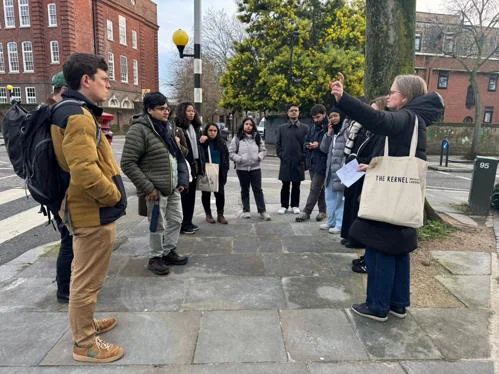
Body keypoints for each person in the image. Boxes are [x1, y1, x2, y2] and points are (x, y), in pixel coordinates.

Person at [330, 73, 444, 322]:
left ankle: (378, 306)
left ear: (404, 97)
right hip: (402, 196)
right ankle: (397, 304)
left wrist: (343, 98)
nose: (389, 95)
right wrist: (371, 164)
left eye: (392, 91)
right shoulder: (416, 120)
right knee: (399, 249)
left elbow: (377, 120)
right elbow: (396, 155)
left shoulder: (404, 117)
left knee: (379, 248)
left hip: (387, 198)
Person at [50, 53, 127, 362]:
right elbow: (84, 171)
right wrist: (113, 195)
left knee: (84, 275)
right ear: (86, 80)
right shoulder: (79, 117)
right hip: (91, 211)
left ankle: (86, 323)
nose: (107, 85)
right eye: (103, 79)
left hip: (83, 209)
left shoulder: (69, 109)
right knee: (86, 280)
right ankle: (85, 343)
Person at [121, 92, 189, 276]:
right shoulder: (139, 130)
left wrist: (181, 179)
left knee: (176, 220)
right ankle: (155, 257)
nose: (166, 112)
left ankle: (168, 251)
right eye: (161, 109)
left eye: (167, 108)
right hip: (155, 191)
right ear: (149, 110)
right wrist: (148, 188)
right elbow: (127, 163)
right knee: (157, 225)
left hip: (173, 187)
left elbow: (178, 155)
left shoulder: (166, 127)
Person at [343, 97, 387, 273]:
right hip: (358, 172)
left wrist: (363, 161)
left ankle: (367, 257)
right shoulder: (367, 130)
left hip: (370, 178)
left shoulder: (382, 133)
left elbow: (380, 157)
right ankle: (357, 244)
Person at [44, 72, 73, 303]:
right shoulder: (57, 114)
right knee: (69, 239)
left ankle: (66, 285)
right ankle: (65, 289)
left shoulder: (48, 113)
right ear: (64, 91)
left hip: (53, 188)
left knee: (69, 238)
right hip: (61, 189)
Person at [229, 117, 271, 221]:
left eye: (251, 124)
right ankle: (246, 210)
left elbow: (264, 150)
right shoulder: (237, 138)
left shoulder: (257, 137)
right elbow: (231, 152)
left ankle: (262, 211)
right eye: (246, 124)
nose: (248, 126)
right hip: (242, 169)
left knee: (258, 190)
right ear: (243, 125)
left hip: (255, 168)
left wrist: (259, 157)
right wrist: (239, 159)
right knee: (244, 190)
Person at [175, 102, 204, 234]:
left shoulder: (196, 126)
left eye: (193, 111)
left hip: (195, 164)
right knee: (184, 196)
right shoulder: (178, 127)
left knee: (191, 195)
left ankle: (188, 221)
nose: (192, 113)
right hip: (185, 164)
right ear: (182, 112)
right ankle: (182, 224)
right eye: (188, 111)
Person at [295, 104, 329, 222]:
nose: (316, 120)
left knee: (315, 187)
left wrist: (318, 145)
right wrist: (308, 145)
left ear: (324, 114)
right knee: (320, 188)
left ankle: (307, 211)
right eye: (314, 118)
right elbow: (306, 140)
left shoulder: (329, 127)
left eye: (318, 117)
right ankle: (322, 211)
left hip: (323, 162)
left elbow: (331, 144)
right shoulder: (313, 127)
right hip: (312, 160)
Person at [319, 107, 349, 233]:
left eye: (335, 115)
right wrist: (329, 133)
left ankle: (339, 224)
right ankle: (330, 221)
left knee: (339, 199)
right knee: (329, 197)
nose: (333, 118)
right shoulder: (333, 132)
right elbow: (324, 149)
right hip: (330, 170)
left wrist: (344, 166)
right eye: (330, 117)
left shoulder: (347, 130)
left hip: (341, 171)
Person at [276, 104, 308, 215]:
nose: (294, 112)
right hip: (286, 161)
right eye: (291, 110)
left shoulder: (305, 128)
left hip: (299, 161)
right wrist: (282, 155)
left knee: (296, 185)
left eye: (296, 110)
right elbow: (278, 144)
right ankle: (283, 205)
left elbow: (307, 145)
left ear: (299, 113)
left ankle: (295, 205)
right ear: (288, 113)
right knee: (285, 185)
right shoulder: (282, 128)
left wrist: (303, 157)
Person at [199, 123, 230, 224]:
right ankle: (208, 214)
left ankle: (220, 214)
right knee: (206, 193)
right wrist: (201, 142)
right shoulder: (203, 142)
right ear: (206, 131)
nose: (212, 133)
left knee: (220, 194)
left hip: (219, 172)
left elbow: (225, 157)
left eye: (215, 131)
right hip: (206, 171)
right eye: (210, 130)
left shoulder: (221, 142)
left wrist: (225, 170)